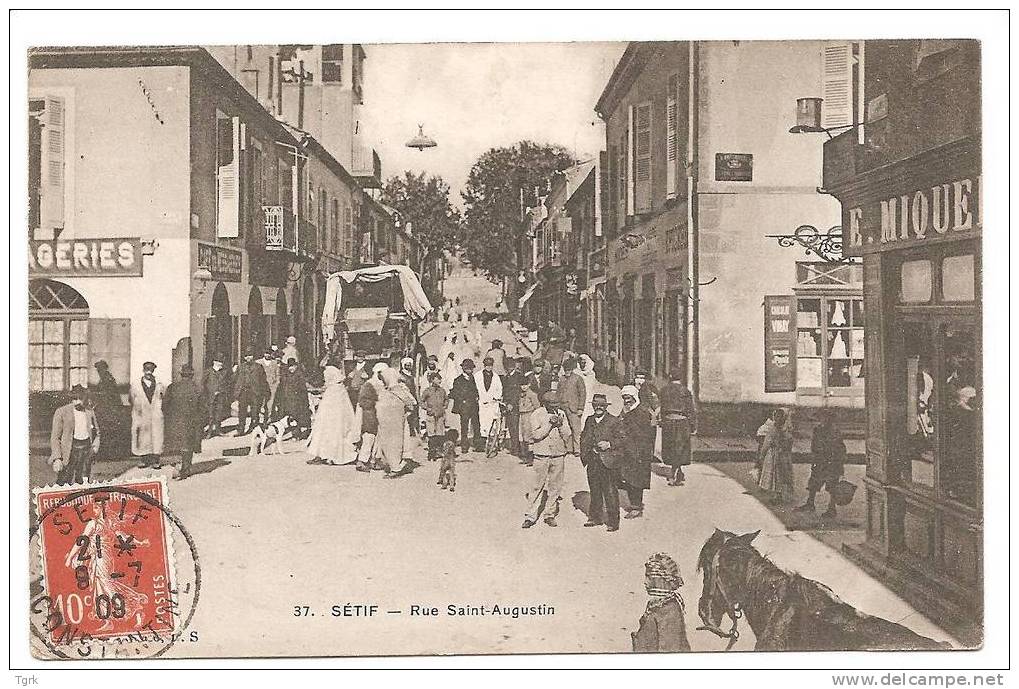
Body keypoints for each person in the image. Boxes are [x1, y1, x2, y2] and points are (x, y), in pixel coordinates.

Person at [521, 392, 572, 529]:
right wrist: (549, 424)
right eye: (552, 405)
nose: (555, 407)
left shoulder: (561, 413)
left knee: (556, 486)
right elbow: (536, 435)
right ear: (545, 404)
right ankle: (530, 516)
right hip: (541, 454)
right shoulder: (537, 414)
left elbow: (567, 434)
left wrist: (561, 425)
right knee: (537, 486)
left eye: (557, 404)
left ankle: (549, 514)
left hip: (558, 454)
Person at [631, 552, 691, 653]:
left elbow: (668, 653)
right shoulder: (659, 606)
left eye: (649, 577)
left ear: (661, 578)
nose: (645, 582)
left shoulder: (668, 610)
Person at [580, 393, 623, 532]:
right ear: (592, 406)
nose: (598, 407)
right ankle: (595, 517)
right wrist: (585, 453)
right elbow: (584, 437)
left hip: (608, 461)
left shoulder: (613, 421)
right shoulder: (589, 420)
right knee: (595, 490)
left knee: (610, 491)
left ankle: (613, 522)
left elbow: (623, 439)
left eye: (601, 405)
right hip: (593, 460)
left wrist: (609, 444)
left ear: (605, 407)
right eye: (596, 405)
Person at [796, 409, 847, 519]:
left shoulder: (835, 431)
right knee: (813, 483)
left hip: (831, 462)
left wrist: (839, 463)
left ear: (830, 419)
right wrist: (814, 458)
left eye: (826, 417)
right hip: (819, 461)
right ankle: (810, 503)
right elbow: (814, 445)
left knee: (832, 486)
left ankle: (831, 509)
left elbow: (841, 448)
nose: (823, 419)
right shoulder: (817, 429)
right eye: (822, 417)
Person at [306, 363, 358, 466]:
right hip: (331, 420)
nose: (325, 379)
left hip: (334, 421)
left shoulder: (335, 390)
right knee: (326, 433)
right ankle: (323, 455)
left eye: (326, 377)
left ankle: (331, 455)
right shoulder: (339, 389)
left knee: (332, 433)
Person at [49, 385, 100, 485]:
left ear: (85, 398)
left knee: (83, 483)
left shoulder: (90, 412)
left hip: (86, 451)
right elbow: (55, 437)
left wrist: (95, 447)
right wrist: (57, 458)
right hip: (69, 451)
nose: (76, 402)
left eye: (80, 399)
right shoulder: (61, 412)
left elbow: (97, 432)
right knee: (63, 482)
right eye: (74, 399)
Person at [618, 385, 654, 519]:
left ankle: (637, 507)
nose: (626, 401)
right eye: (624, 398)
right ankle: (633, 504)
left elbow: (644, 434)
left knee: (636, 480)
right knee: (627, 478)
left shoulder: (641, 412)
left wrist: (625, 430)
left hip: (639, 451)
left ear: (634, 398)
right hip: (628, 450)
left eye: (628, 398)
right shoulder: (626, 411)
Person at [164, 364, 204, 481]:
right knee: (188, 445)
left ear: (181, 374)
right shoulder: (197, 388)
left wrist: (170, 416)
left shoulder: (172, 387)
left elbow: (165, 405)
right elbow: (203, 408)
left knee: (176, 444)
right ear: (192, 375)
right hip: (192, 421)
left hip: (175, 421)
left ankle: (177, 466)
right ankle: (185, 468)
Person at [375, 367, 416, 478]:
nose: (383, 381)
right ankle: (393, 465)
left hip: (395, 424)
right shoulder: (385, 390)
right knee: (387, 444)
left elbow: (411, 403)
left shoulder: (398, 389)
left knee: (394, 444)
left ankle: (395, 468)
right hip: (386, 423)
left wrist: (406, 414)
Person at [659, 369, 696, 486]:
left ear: (670, 377)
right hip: (682, 422)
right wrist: (693, 425)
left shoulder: (664, 390)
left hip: (668, 421)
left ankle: (677, 471)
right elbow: (690, 409)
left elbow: (661, 407)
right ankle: (674, 474)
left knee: (671, 447)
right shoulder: (685, 391)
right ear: (680, 378)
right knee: (680, 448)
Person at [130, 361, 165, 469]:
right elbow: (131, 398)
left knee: (156, 436)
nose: (148, 373)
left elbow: (164, 398)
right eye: (147, 370)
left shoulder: (160, 385)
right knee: (143, 437)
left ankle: (156, 460)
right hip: (142, 413)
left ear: (153, 371)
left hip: (156, 414)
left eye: (151, 370)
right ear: (143, 370)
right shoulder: (135, 385)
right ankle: (144, 459)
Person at [354, 363, 387, 473]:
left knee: (378, 438)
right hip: (369, 415)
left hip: (378, 414)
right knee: (369, 437)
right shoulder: (369, 384)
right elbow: (364, 401)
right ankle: (362, 461)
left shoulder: (382, 384)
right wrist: (376, 403)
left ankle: (374, 459)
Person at [757, 408, 794, 503]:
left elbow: (789, 442)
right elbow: (767, 442)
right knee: (775, 474)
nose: (777, 418)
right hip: (773, 454)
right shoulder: (773, 428)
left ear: (783, 418)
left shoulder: (786, 430)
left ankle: (781, 495)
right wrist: (763, 453)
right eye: (776, 416)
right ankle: (777, 494)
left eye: (779, 416)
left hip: (782, 455)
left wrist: (782, 447)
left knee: (782, 475)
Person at [91, 359, 122, 460]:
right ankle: (107, 453)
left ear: (104, 369)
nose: (98, 371)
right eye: (98, 369)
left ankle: (109, 454)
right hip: (105, 409)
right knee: (105, 431)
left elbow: (108, 395)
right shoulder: (105, 378)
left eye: (100, 369)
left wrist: (96, 395)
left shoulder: (107, 379)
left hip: (109, 409)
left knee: (108, 431)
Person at [556, 357, 587, 455]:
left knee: (576, 429)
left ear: (572, 369)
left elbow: (583, 394)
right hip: (562, 407)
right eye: (565, 370)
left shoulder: (578, 378)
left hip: (574, 408)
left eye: (569, 370)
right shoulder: (561, 379)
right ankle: (567, 448)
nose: (567, 372)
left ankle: (577, 449)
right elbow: (558, 393)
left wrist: (580, 408)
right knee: (565, 428)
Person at [450, 359, 482, 454]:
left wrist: (476, 397)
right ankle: (464, 446)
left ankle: (478, 445)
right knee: (464, 427)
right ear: (463, 368)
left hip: (473, 406)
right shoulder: (458, 380)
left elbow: (475, 390)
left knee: (476, 425)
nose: (470, 370)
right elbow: (455, 393)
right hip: (464, 407)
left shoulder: (473, 378)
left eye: (471, 368)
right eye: (468, 368)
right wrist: (462, 401)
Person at [234, 351, 268, 436]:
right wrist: (237, 392)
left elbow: (263, 380)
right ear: (244, 358)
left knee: (255, 412)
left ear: (253, 356)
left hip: (254, 392)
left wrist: (262, 392)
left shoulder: (258, 367)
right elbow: (236, 379)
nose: (248, 357)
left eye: (250, 355)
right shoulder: (241, 367)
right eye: (246, 356)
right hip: (243, 392)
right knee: (242, 412)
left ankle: (254, 429)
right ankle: (241, 429)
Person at [276, 358, 311, 439]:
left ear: (296, 366)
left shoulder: (299, 375)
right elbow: (283, 387)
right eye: (289, 367)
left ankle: (300, 433)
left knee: (299, 417)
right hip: (288, 399)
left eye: (293, 366)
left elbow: (303, 390)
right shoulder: (286, 375)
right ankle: (295, 433)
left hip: (298, 400)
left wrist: (304, 400)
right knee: (292, 418)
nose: (291, 368)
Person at [419, 371, 448, 461]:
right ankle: (431, 453)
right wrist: (427, 409)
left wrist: (444, 406)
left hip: (440, 415)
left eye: (440, 379)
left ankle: (439, 451)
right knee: (431, 434)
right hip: (431, 415)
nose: (439, 380)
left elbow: (446, 399)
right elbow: (421, 401)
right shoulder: (427, 391)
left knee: (440, 433)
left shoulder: (442, 390)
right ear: (432, 380)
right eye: (437, 379)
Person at [475, 356, 503, 444]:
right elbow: (474, 388)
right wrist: (477, 397)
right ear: (484, 365)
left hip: (492, 403)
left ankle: (493, 442)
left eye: (490, 365)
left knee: (492, 423)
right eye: (487, 365)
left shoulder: (496, 377)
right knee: (482, 423)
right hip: (481, 403)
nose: (489, 367)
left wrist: (496, 397)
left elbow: (499, 389)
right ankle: (482, 442)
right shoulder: (477, 375)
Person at [516, 368, 541, 466]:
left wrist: (535, 419)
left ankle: (531, 458)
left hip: (530, 415)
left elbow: (537, 407)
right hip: (522, 416)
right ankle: (525, 456)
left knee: (530, 437)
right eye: (522, 385)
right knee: (523, 437)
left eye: (525, 385)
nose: (524, 387)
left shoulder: (532, 394)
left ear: (529, 385)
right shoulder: (520, 394)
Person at [202, 354, 230, 438]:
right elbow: (203, 384)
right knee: (210, 415)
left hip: (221, 396)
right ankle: (209, 432)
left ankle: (218, 430)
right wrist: (207, 393)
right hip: (210, 397)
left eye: (221, 362)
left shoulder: (224, 372)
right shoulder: (208, 371)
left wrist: (223, 391)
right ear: (214, 362)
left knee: (219, 414)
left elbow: (228, 383)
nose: (221, 363)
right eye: (219, 362)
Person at [502, 358, 525, 456]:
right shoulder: (506, 377)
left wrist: (512, 403)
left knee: (516, 428)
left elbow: (518, 392)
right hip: (508, 404)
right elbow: (505, 391)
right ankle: (515, 447)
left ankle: (517, 449)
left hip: (516, 405)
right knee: (511, 427)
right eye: (507, 366)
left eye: (511, 366)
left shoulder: (519, 376)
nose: (509, 368)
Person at [257, 348, 281, 422]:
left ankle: (268, 418)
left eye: (269, 353)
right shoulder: (259, 362)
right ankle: (260, 418)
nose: (267, 355)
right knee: (261, 401)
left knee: (270, 402)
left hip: (272, 386)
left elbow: (278, 374)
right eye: (266, 353)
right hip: (261, 385)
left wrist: (276, 383)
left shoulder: (274, 363)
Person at [577, 354, 598, 423]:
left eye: (584, 363)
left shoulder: (591, 374)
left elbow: (592, 386)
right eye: (581, 363)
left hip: (589, 395)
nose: (582, 365)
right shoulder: (576, 372)